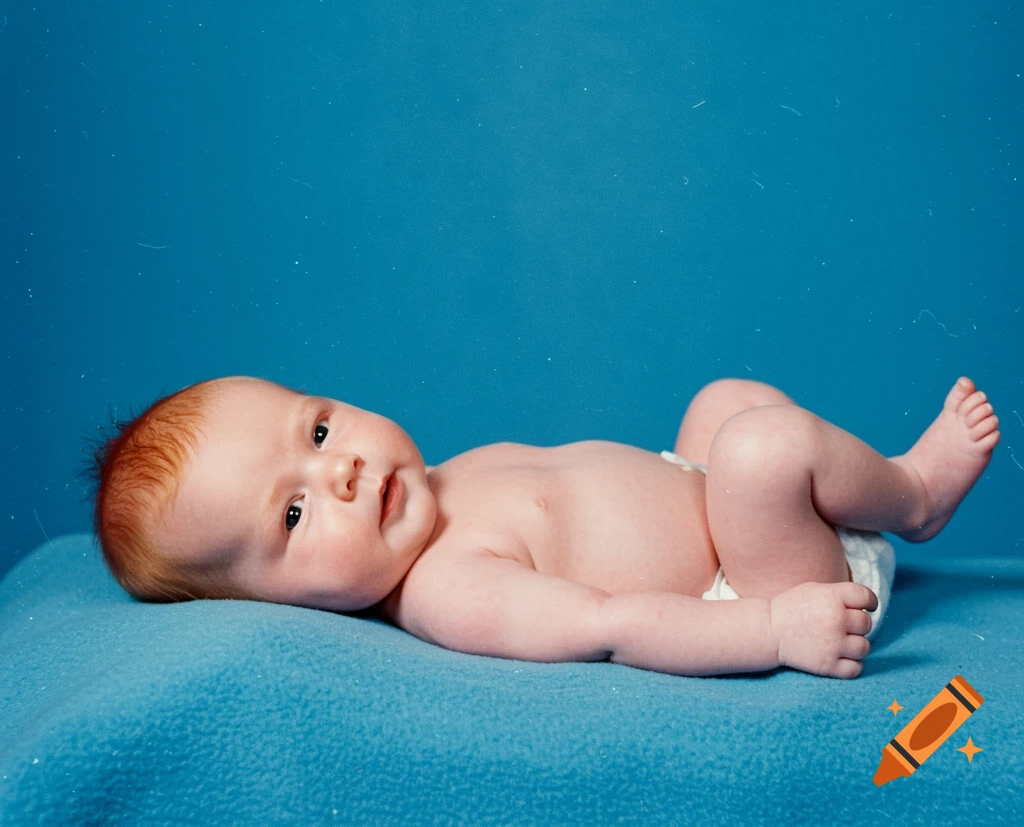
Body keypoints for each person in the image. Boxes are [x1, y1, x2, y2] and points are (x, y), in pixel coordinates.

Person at [87, 374, 1000, 679]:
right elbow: (609, 623)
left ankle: (864, 490)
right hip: (767, 589)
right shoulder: (450, 588)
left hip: (715, 510)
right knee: (760, 452)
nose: (342, 469)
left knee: (723, 404)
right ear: (280, 604)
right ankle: (914, 497)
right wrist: (773, 627)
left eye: (318, 428)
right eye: (293, 513)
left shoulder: (441, 482)